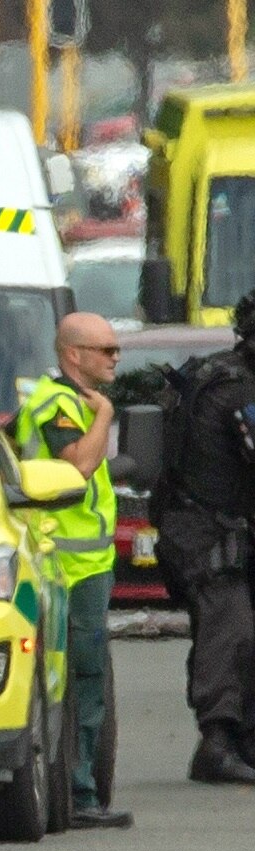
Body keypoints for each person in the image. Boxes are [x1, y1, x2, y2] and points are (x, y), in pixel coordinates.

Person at [14, 311, 133, 829]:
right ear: (73, 355)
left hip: (85, 564)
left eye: (115, 348)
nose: (115, 357)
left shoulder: (70, 400)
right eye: (106, 349)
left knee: (85, 680)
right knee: (81, 681)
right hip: (64, 565)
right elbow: (78, 465)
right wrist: (105, 415)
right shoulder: (59, 403)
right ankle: (80, 794)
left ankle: (79, 789)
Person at [154, 289, 255, 785]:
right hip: (206, 531)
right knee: (230, 626)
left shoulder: (217, 373)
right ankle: (217, 743)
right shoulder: (234, 389)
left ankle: (243, 740)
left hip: (212, 526)